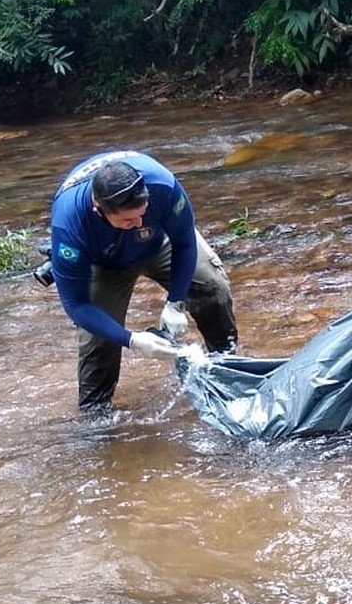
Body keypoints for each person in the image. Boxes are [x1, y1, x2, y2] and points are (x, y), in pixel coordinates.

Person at [47, 149, 238, 413]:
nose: (138, 223)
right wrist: (132, 340)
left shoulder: (163, 185)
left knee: (213, 287)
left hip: (162, 243)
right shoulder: (69, 226)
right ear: (98, 210)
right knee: (99, 338)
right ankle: (96, 416)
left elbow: (184, 242)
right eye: (127, 219)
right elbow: (76, 304)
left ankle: (228, 367)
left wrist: (175, 302)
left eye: (142, 213)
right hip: (104, 263)